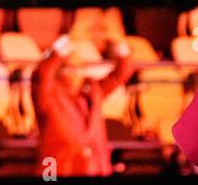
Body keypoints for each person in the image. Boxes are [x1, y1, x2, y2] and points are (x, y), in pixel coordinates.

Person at [31, 34, 138, 177]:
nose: (77, 72)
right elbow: (41, 74)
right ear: (59, 71)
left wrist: (120, 47)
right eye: (71, 68)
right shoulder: (48, 97)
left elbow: (122, 72)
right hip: (58, 171)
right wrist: (62, 46)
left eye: (81, 67)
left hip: (95, 169)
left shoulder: (93, 90)